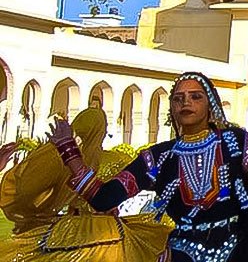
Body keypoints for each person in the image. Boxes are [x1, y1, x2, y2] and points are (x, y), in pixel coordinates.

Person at [46, 71, 248, 262]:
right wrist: (69, 152)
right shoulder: (156, 158)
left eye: (195, 96)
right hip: (184, 253)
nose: (185, 102)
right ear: (171, 108)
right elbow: (103, 199)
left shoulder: (236, 144)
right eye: (178, 98)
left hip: (245, 248)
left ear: (209, 105)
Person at [0, 108, 172, 261]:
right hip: (108, 232)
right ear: (102, 131)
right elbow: (147, 177)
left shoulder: (61, 162)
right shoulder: (116, 160)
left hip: (66, 230)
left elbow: (26, 187)